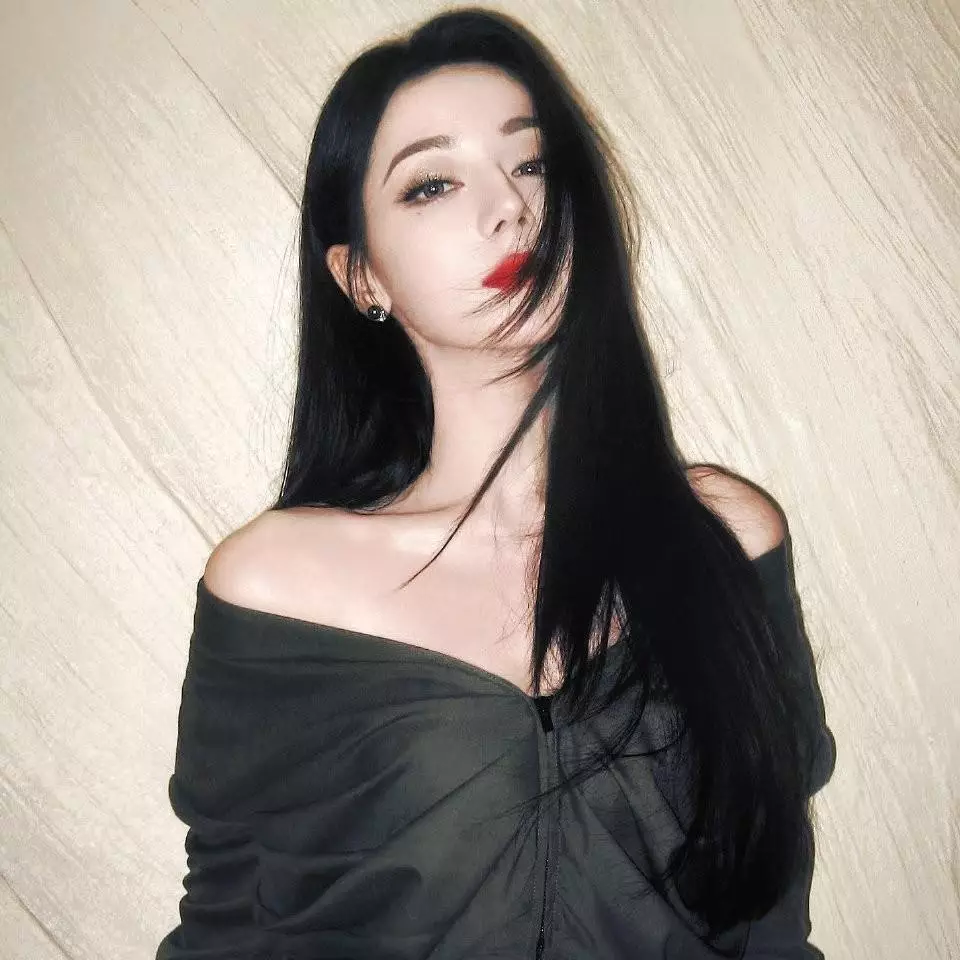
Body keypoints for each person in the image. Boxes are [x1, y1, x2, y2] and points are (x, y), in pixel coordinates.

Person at [156, 7, 835, 959]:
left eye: (533, 164)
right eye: (432, 184)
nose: (509, 207)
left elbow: (772, 910)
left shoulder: (725, 535)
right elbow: (225, 925)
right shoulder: (276, 585)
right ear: (361, 278)